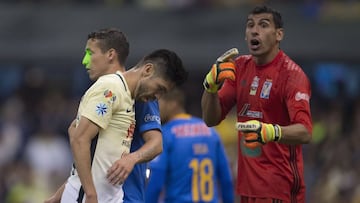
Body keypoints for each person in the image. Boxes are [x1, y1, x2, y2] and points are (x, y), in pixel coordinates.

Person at [44, 28, 188, 203]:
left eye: (91, 53)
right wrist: (88, 194)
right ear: (148, 70)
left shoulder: (129, 95)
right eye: (159, 89)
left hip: (114, 195)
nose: (157, 97)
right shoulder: (110, 88)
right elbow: (81, 141)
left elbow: (98, 154)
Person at [201, 5, 312, 203]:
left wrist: (270, 132)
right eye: (250, 25)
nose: (254, 30)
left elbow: (305, 132)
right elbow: (211, 119)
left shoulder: (292, 75)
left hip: (279, 188)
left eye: (263, 25)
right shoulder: (240, 68)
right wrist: (210, 87)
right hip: (247, 187)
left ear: (279, 35)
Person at [146, 87, 234, 203]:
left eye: (158, 102)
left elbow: (155, 183)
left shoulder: (166, 134)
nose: (154, 109)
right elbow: (226, 179)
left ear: (173, 104)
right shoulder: (211, 132)